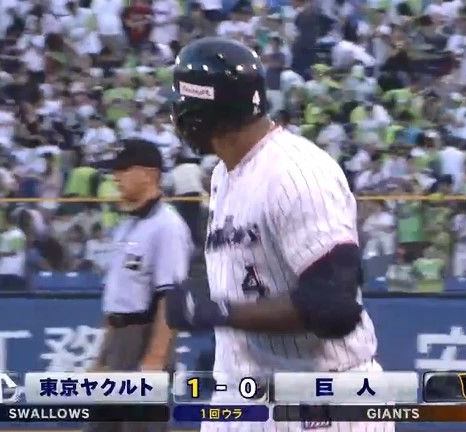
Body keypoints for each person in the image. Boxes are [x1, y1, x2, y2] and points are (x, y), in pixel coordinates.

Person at [165, 37, 394, 432]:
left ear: (205, 114)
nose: (178, 115)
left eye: (184, 104)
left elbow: (334, 308)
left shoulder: (297, 174)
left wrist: (221, 311)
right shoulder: (224, 174)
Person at [84, 138, 193, 432]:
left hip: (143, 339)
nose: (115, 177)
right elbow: (118, 300)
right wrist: (101, 357)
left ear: (149, 174)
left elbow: (171, 299)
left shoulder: (167, 226)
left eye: (122, 169)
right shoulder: (127, 225)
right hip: (119, 340)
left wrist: (154, 360)